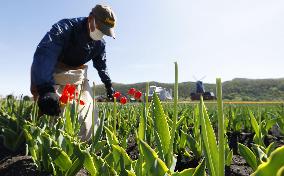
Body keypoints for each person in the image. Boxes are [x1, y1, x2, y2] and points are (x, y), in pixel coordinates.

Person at [30, 4, 116, 140]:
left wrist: (108, 85)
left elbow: (101, 66)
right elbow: (46, 53)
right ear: (90, 18)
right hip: (53, 71)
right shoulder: (65, 27)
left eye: (105, 32)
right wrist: (46, 88)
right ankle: (41, 143)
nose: (101, 34)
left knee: (88, 116)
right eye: (100, 28)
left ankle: (77, 145)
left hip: (77, 75)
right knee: (50, 111)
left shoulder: (99, 44)